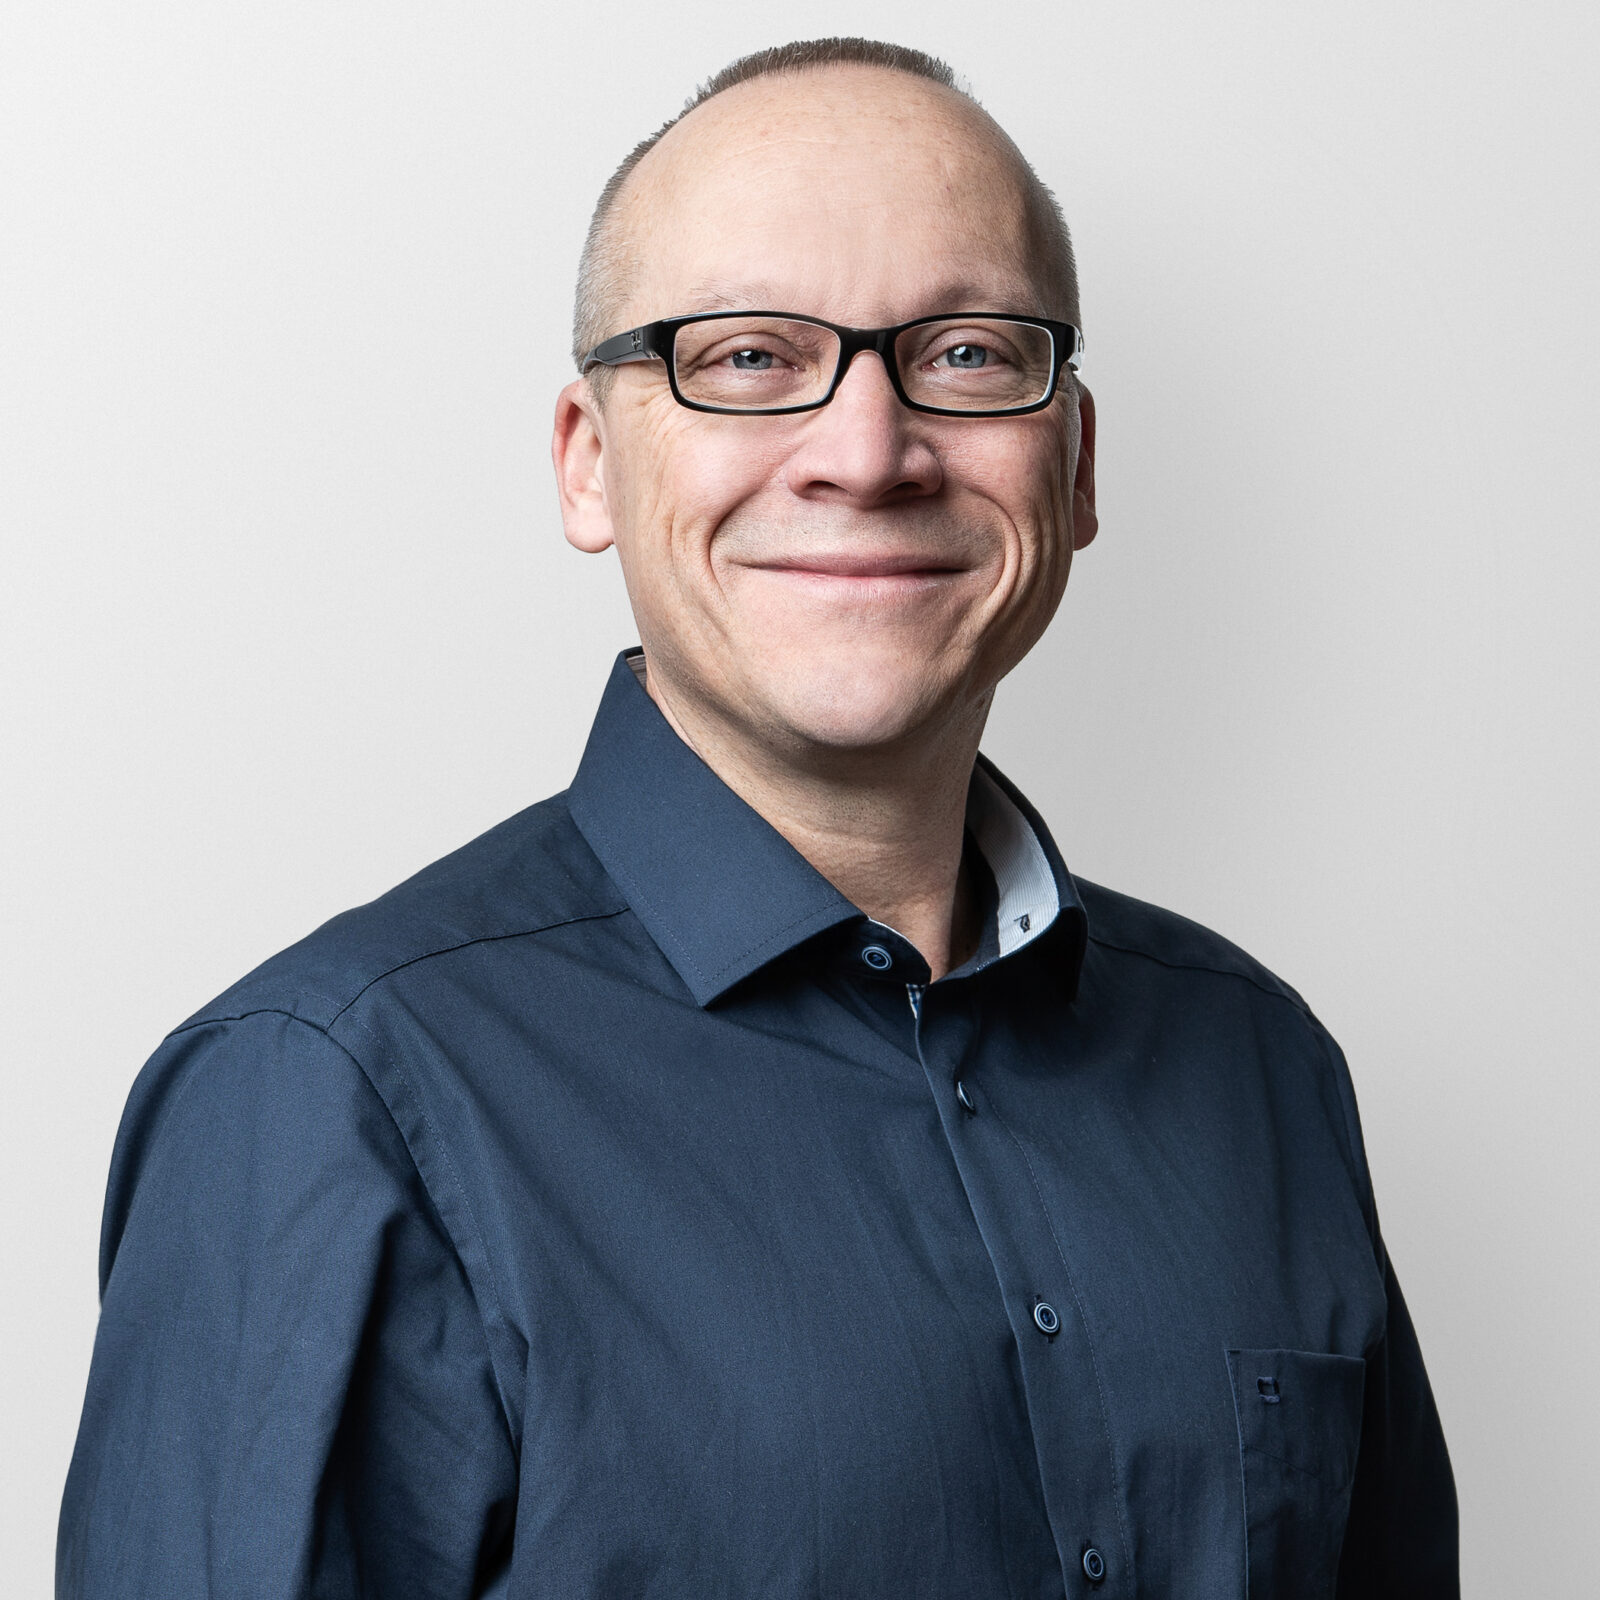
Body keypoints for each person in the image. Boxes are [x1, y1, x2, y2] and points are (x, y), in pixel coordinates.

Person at [57, 37, 1457, 1600]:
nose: (867, 454)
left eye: (968, 353)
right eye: (744, 358)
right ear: (590, 467)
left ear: (1071, 464)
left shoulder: (1260, 1066)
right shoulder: (331, 1095)